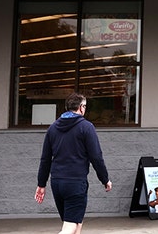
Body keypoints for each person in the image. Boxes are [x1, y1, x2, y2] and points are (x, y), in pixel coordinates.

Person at [35, 93, 112, 234]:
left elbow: (45, 159)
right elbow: (96, 157)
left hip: (57, 182)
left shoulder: (52, 128)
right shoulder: (86, 127)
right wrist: (105, 179)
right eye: (85, 106)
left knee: (75, 222)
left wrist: (41, 184)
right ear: (81, 107)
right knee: (70, 226)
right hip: (75, 183)